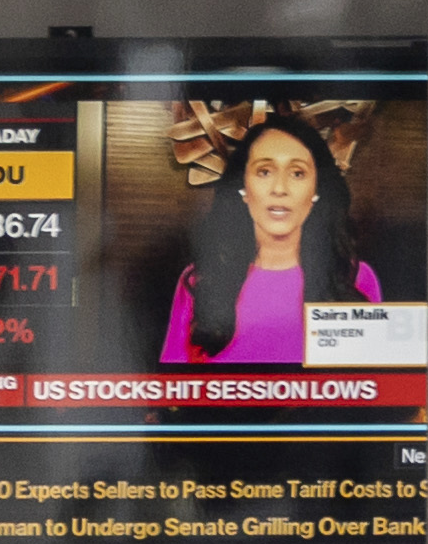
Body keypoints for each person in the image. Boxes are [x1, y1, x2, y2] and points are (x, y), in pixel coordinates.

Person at [163, 111, 381, 366]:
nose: (279, 189)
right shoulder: (201, 279)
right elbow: (172, 392)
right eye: (264, 172)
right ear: (243, 187)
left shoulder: (355, 278)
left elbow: (371, 391)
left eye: (297, 173)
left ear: (317, 190)